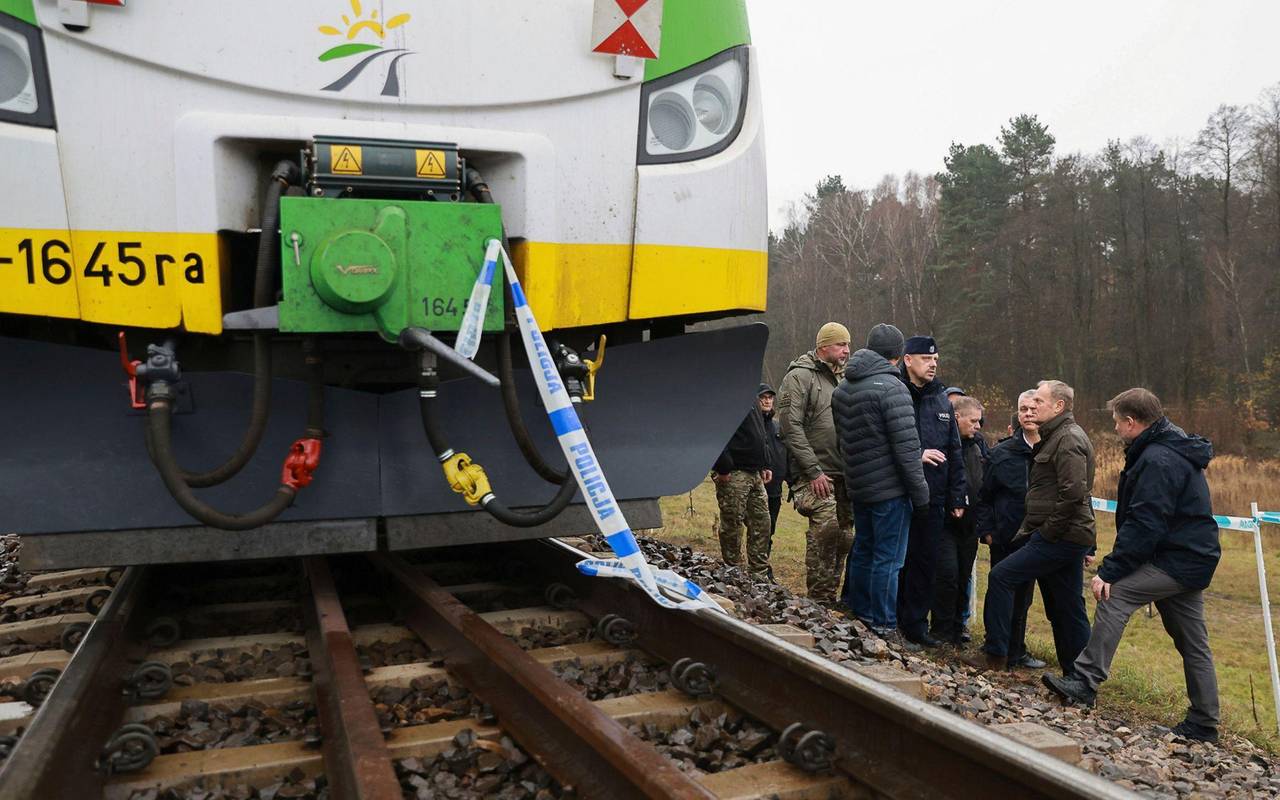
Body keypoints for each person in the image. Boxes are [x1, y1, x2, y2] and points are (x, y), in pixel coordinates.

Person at [1043, 389, 1222, 743]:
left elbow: (1146, 523)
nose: (1114, 428)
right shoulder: (1167, 447)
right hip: (1189, 557)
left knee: (1115, 594)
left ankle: (1084, 681)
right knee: (1194, 643)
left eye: (1116, 422)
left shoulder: (1158, 459)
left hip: (1178, 559)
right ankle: (1204, 723)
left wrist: (1110, 570)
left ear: (1130, 422)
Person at [970, 380, 1095, 672]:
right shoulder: (1054, 436)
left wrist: (1047, 531)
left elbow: (1075, 493)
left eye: (1039, 401)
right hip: (1058, 534)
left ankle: (995, 655)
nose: (1032, 407)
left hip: (1059, 537)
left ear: (1058, 406)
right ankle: (1077, 675)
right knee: (1066, 606)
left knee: (1002, 577)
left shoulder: (1069, 439)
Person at [833, 323, 929, 645]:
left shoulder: (843, 389)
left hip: (859, 486)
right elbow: (906, 449)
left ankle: (859, 612)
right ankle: (884, 624)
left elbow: (842, 442)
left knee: (863, 550)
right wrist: (921, 494)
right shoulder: (893, 388)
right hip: (890, 490)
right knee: (888, 559)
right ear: (899, 356)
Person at [779, 322, 855, 605]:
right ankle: (819, 600)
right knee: (826, 531)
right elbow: (790, 426)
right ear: (823, 346)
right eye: (840, 345)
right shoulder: (799, 377)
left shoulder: (846, 379)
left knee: (845, 537)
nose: (846, 350)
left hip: (843, 473)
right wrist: (813, 471)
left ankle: (830, 597)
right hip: (815, 473)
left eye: (848, 345)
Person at [897, 336, 966, 647]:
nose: (933, 364)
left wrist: (956, 495)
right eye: (926, 359)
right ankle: (889, 620)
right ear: (908, 360)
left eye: (935, 360)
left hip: (935, 496)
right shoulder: (896, 391)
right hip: (900, 493)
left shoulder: (941, 398)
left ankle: (915, 626)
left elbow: (954, 449)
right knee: (899, 560)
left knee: (926, 563)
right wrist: (916, 455)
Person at [974, 391, 1047, 670]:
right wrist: (988, 531)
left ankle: (1017, 651)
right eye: (1023, 409)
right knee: (1002, 593)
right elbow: (985, 496)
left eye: (1033, 408)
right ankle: (996, 650)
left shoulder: (1054, 450)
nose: (1028, 414)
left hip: (1040, 537)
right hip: (1006, 536)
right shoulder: (1001, 453)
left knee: (1025, 599)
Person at [931, 395, 985, 645]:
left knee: (964, 576)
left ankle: (957, 627)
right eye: (973, 421)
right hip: (945, 524)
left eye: (979, 421)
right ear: (957, 418)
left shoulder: (976, 446)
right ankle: (940, 629)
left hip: (970, 526)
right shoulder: (941, 446)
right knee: (947, 575)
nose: (977, 426)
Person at [711, 391, 774, 580]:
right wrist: (723, 466)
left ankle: (759, 574)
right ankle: (734, 572)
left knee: (762, 522)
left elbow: (759, 433)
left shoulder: (750, 394)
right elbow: (715, 431)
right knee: (732, 523)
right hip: (733, 472)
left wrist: (765, 462)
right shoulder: (725, 394)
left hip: (754, 472)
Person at [759, 383, 789, 542]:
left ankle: (763, 564)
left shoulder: (778, 426)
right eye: (763, 397)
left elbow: (786, 454)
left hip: (775, 489)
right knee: (756, 528)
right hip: (753, 487)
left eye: (770, 397)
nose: (767, 401)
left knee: (769, 529)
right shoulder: (750, 424)